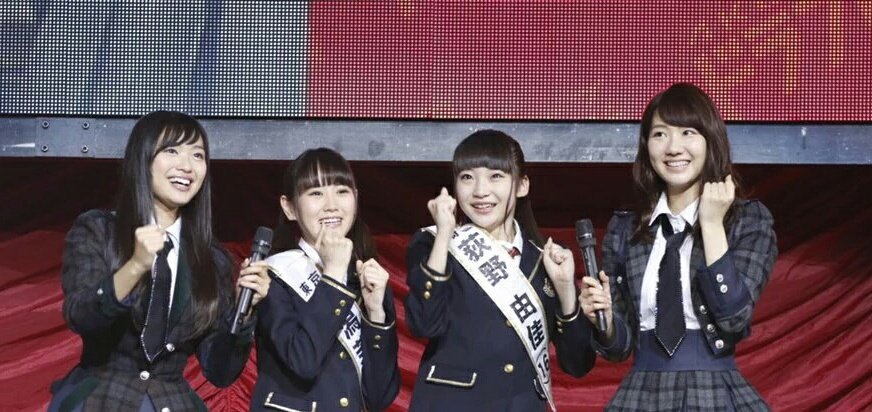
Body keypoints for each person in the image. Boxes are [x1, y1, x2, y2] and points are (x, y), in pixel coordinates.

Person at [49, 111, 270, 411]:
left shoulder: (212, 260)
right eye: (172, 151)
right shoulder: (100, 230)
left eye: (197, 155)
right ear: (143, 158)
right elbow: (81, 316)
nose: (187, 166)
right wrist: (134, 267)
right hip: (100, 398)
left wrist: (244, 312)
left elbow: (220, 372)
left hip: (170, 401)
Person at [582, 83, 777, 411]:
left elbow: (734, 317)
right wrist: (605, 320)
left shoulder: (748, 221)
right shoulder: (626, 229)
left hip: (714, 394)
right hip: (640, 394)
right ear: (646, 145)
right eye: (660, 134)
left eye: (688, 132)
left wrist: (712, 224)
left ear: (710, 140)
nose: (673, 147)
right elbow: (619, 349)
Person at [405, 130, 596, 411]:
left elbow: (578, 364)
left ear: (522, 185)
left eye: (495, 176)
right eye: (467, 177)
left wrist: (566, 289)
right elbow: (423, 324)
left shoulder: (545, 259)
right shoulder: (435, 243)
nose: (480, 191)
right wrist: (445, 235)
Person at [250, 148, 400, 411]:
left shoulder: (367, 278)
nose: (332, 205)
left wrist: (376, 313)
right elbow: (303, 360)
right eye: (316, 193)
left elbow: (380, 397)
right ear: (289, 207)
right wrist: (332, 275)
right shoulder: (273, 275)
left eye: (342, 191)